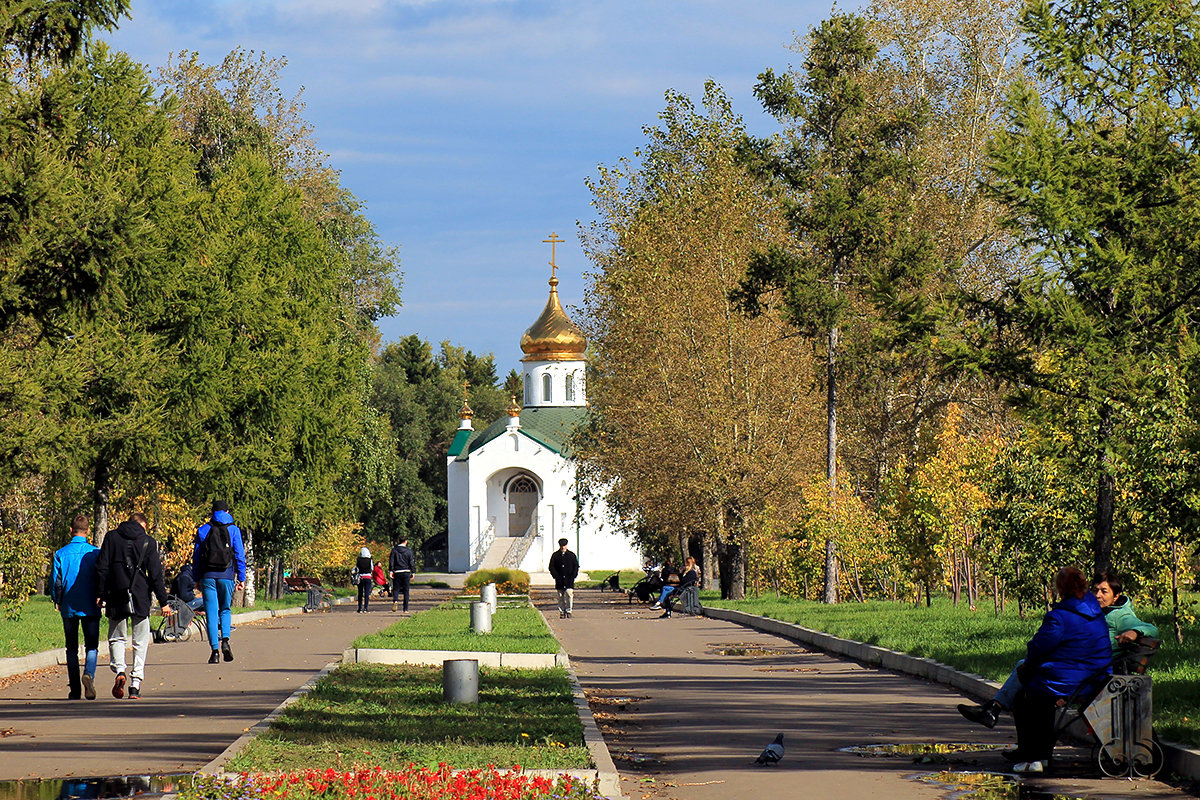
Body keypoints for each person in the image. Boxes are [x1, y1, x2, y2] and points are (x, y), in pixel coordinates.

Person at [958, 569, 1158, 730]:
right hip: (1093, 669)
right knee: (1027, 674)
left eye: (1104, 591)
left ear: (1116, 596)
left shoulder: (1117, 616)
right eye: (1096, 590)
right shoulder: (1095, 613)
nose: (1098, 595)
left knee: (1028, 677)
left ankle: (1025, 744)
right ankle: (996, 711)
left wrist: (1134, 632)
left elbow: (1152, 629)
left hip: (1092, 675)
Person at [1005, 566, 1111, 773]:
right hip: (1097, 677)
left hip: (1073, 682)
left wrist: (1031, 661)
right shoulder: (1095, 611)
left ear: (1060, 588)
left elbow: (1038, 648)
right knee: (1034, 688)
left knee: (1029, 694)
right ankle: (1039, 756)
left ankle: (1034, 758)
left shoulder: (1060, 617)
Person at [95, 513, 172, 700]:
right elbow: (155, 575)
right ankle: (135, 683)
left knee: (117, 637)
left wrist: (100, 593)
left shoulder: (112, 537)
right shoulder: (148, 541)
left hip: (116, 594)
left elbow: (102, 567)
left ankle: (120, 670)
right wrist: (164, 602)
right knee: (140, 641)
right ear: (143, 524)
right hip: (140, 596)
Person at [51, 515, 101, 700]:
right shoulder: (95, 553)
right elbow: (101, 576)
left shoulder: (61, 554)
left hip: (69, 605)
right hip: (91, 604)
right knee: (92, 646)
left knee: (71, 648)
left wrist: (57, 600)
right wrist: (101, 596)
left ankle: (75, 690)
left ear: (71, 530)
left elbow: (56, 582)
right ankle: (89, 673)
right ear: (88, 532)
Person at [192, 500, 247, 664]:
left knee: (211, 613)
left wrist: (196, 578)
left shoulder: (203, 530)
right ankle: (225, 640)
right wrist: (242, 578)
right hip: (227, 574)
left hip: (208, 576)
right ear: (227, 512)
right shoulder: (234, 529)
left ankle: (214, 651)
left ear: (212, 512)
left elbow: (196, 557)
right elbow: (239, 555)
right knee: (225, 609)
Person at [548, 538, 579, 619]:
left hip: (569, 579)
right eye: (562, 546)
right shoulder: (555, 555)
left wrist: (573, 575)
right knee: (560, 596)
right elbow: (551, 566)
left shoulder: (571, 555)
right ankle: (562, 611)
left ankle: (569, 610)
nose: (563, 547)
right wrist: (555, 576)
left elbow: (576, 566)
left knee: (569, 594)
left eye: (564, 546)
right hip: (559, 579)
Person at [389, 537, 416, 612]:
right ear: (406, 542)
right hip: (406, 571)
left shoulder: (394, 550)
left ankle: (395, 600)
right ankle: (405, 608)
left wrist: (391, 571)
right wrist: (413, 572)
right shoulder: (409, 551)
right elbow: (411, 562)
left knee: (396, 588)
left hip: (397, 572)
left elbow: (391, 561)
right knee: (406, 590)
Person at [355, 547, 374, 612]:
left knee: (360, 593)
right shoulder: (370, 559)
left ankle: (360, 608)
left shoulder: (358, 559)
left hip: (360, 577)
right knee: (366, 593)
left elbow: (357, 568)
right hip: (368, 577)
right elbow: (372, 568)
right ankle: (365, 608)